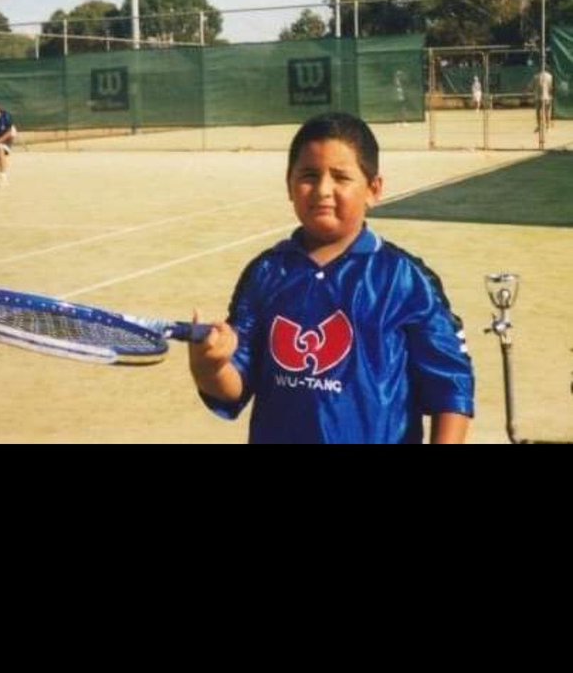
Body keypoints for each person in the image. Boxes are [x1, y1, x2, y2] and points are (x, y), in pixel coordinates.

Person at [189, 112, 474, 444]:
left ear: (374, 189)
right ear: (289, 185)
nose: (323, 189)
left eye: (341, 177)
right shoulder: (266, 273)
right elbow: (234, 386)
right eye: (309, 175)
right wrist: (208, 367)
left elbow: (452, 388)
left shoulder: (405, 280)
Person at [532, 67, 554, 132]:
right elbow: (551, 87)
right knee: (547, 112)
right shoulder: (550, 76)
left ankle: (539, 126)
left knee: (538, 112)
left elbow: (533, 87)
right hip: (546, 97)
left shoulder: (535, 76)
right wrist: (550, 95)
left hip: (539, 97)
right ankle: (547, 126)